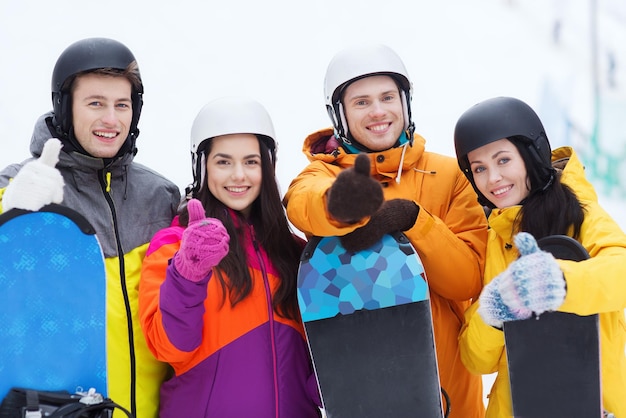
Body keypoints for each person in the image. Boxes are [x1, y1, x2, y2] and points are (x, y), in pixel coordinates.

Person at [282, 44, 488, 417]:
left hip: (453, 397)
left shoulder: (448, 176)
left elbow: (467, 280)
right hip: (367, 391)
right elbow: (302, 203)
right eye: (361, 102)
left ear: (405, 102)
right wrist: (342, 205)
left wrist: (414, 220)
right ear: (339, 114)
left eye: (387, 97)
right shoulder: (322, 174)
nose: (378, 112)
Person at [0, 38, 181, 417]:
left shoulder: (160, 195)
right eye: (95, 103)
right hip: (63, 409)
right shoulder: (22, 183)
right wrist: (11, 214)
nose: (111, 120)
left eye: (122, 105)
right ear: (64, 108)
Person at [139, 96, 322, 418]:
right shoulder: (174, 244)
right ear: (202, 166)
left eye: (251, 162)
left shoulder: (293, 253)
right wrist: (188, 272)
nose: (239, 175)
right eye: (223, 162)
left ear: (268, 167)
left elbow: (313, 367)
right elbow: (170, 346)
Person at [454, 96, 626, 417]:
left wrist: (559, 281)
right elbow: (477, 360)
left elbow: (620, 273)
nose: (493, 179)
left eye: (503, 160)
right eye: (479, 168)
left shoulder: (581, 213)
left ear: (532, 154)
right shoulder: (496, 237)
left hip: (593, 402)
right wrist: (493, 314)